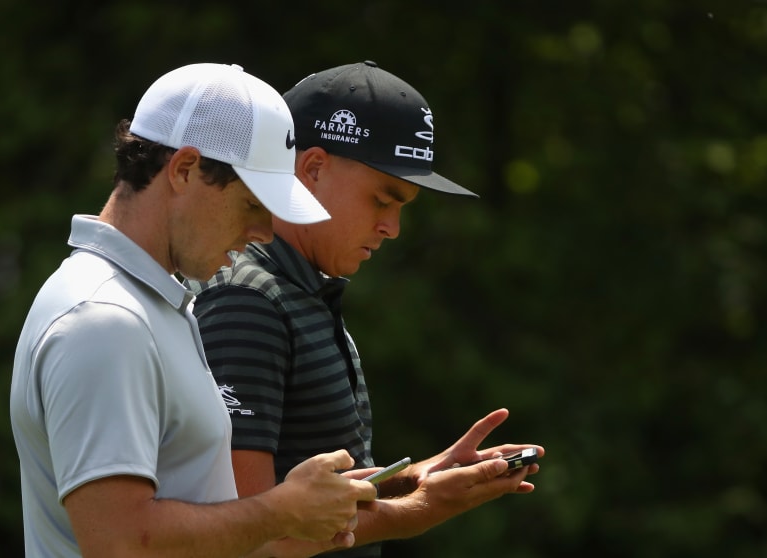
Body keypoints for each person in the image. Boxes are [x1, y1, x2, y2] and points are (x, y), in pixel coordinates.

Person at [9, 62, 379, 558]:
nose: (264, 234)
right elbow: (120, 543)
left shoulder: (150, 303)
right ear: (184, 170)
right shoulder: (105, 318)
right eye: (252, 206)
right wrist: (283, 510)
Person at [187, 61, 545, 557]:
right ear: (312, 169)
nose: (392, 227)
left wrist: (416, 478)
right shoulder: (249, 301)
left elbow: (316, 500)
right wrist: (422, 508)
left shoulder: (305, 291)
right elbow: (252, 537)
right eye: (382, 199)